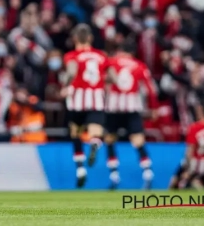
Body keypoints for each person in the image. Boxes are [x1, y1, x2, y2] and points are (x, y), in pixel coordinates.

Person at [61, 24, 115, 188]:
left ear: (75, 38)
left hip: (77, 101)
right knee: (95, 133)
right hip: (96, 99)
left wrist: (65, 85)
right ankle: (94, 144)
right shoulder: (101, 56)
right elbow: (113, 76)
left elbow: (71, 72)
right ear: (90, 38)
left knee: (75, 134)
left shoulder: (72, 55)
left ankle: (80, 170)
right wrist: (105, 81)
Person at [104, 43, 158, 190]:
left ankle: (114, 176)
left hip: (113, 108)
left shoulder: (111, 62)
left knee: (110, 140)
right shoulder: (139, 65)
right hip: (132, 108)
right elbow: (150, 89)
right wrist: (153, 108)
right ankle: (148, 173)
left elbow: (101, 80)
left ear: (120, 51)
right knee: (138, 141)